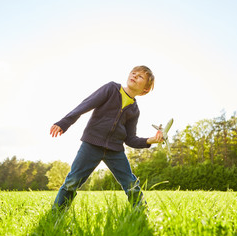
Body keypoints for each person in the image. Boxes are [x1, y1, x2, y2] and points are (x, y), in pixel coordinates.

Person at [50, 65, 163, 210]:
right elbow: (86, 104)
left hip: (115, 151)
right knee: (72, 181)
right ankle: (56, 215)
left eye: (140, 76)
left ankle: (142, 214)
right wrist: (65, 122)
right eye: (133, 73)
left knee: (131, 184)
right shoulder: (111, 89)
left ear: (145, 90)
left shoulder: (134, 110)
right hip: (91, 145)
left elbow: (130, 139)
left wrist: (150, 140)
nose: (134, 76)